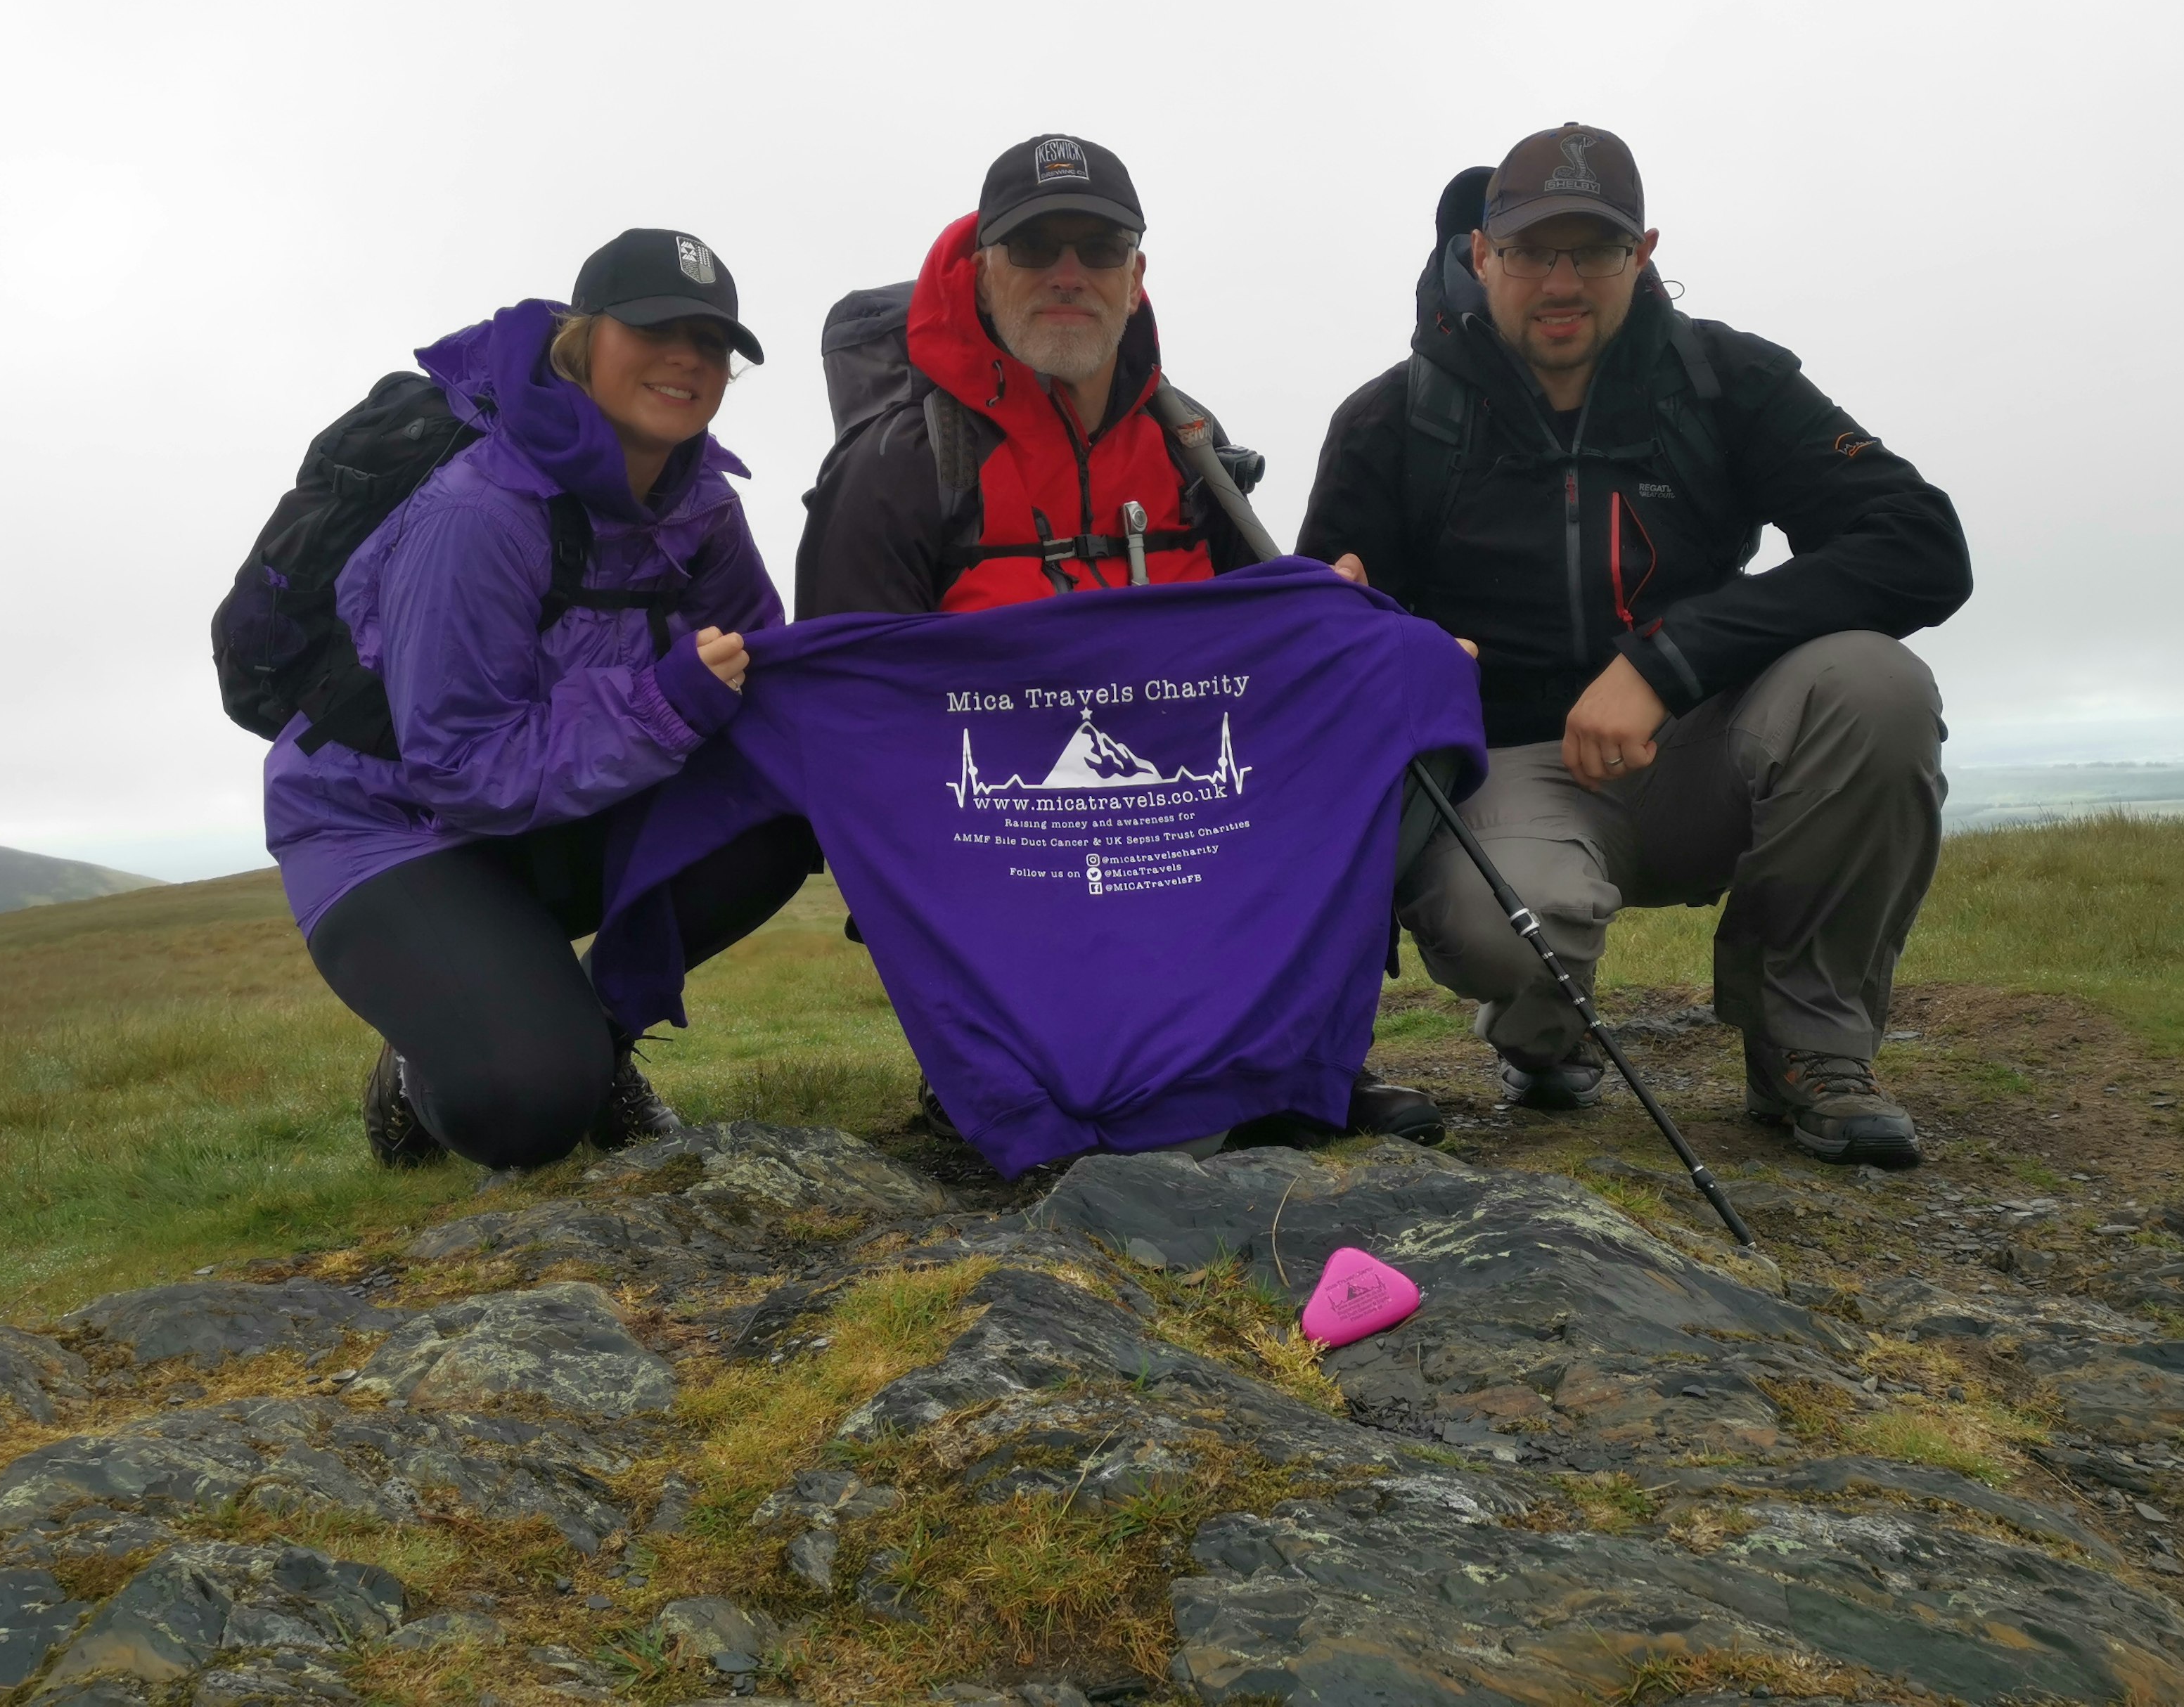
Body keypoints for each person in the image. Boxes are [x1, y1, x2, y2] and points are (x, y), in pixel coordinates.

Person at [1301, 125, 1972, 1168]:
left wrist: (1668, 661)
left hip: (1708, 746)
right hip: (1512, 774)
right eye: (1531, 250)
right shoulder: (1392, 422)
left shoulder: (1727, 381)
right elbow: (1329, 658)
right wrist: (1405, 650)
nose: (1560, 280)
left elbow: (1922, 545)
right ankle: (1541, 1035)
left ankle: (1809, 1050)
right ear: (1483, 256)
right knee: (1501, 926)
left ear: (1643, 253)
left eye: (1594, 249)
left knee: (1876, 689)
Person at [796, 132, 1447, 1147]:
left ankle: (1295, 1053)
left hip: (1186, 813)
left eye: (1097, 249)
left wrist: (1329, 618)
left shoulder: (1190, 444)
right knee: (1085, 1095)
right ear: (981, 272)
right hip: (1004, 844)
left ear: (1136, 276)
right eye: (1035, 248)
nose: (1068, 275)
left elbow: (1264, 647)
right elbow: (849, 718)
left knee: (1393, 678)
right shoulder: (897, 467)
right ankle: (998, 1061)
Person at [264, 229, 816, 1171]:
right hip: (394, 829)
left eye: (712, 341)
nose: (687, 356)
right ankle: (424, 1066)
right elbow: (460, 765)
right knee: (525, 1111)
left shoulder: (704, 508)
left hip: (558, 811)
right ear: (583, 340)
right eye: (655, 328)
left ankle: (597, 1041)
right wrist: (663, 704)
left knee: (784, 815)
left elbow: (759, 668)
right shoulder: (478, 512)